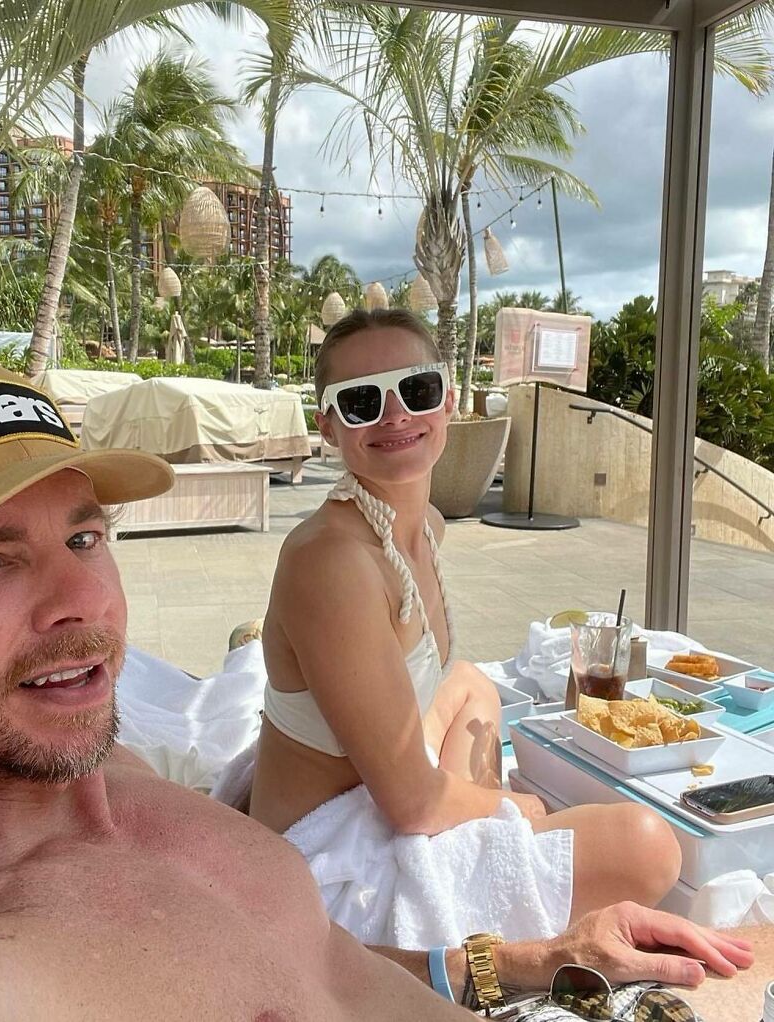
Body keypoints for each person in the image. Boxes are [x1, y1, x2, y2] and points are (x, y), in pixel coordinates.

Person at [0, 355, 757, 1020]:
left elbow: (316, 967)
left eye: (85, 540)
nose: (81, 601)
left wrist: (535, 961)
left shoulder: (112, 784)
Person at [250, 308, 682, 948]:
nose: (395, 415)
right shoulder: (331, 562)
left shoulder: (422, 525)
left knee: (473, 685)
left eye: (416, 389)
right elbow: (412, 804)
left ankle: (485, 852)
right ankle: (486, 885)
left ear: (447, 400)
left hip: (377, 791)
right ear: (330, 425)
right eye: (363, 401)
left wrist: (487, 809)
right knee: (649, 847)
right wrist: (523, 809)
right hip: (327, 858)